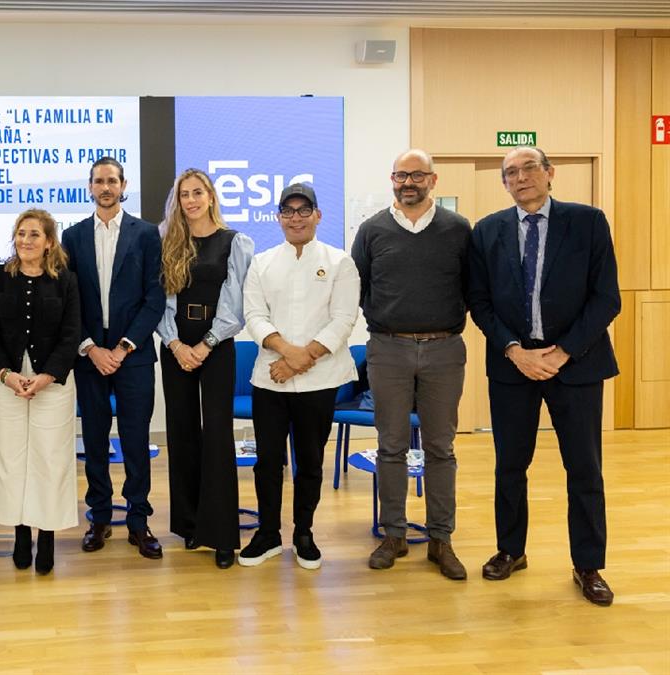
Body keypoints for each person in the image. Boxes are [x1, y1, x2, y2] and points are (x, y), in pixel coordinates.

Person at [468, 146, 621, 606]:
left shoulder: (588, 222)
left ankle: (588, 564)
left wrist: (564, 353)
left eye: (528, 168)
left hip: (575, 365)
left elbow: (606, 298)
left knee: (584, 468)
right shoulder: (487, 231)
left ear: (549, 173)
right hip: (513, 367)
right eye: (510, 173)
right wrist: (515, 351)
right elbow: (480, 302)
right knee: (511, 465)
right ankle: (511, 550)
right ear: (504, 183)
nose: (520, 177)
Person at [351, 149, 471, 580]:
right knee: (391, 446)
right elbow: (358, 288)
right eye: (402, 175)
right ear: (392, 179)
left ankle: (442, 539)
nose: (409, 182)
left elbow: (472, 287)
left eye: (418, 175)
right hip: (388, 349)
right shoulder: (372, 230)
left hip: (444, 350)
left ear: (433, 181)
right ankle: (394, 534)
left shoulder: (458, 229)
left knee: (441, 447)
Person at [240, 183, 358, 570]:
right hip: (270, 379)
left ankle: (304, 532)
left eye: (303, 210)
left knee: (309, 461)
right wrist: (288, 353)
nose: (295, 218)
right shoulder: (262, 261)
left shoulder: (339, 261)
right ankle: (268, 533)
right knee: (268, 461)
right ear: (278, 218)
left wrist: (303, 357)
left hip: (320, 380)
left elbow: (343, 318)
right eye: (287, 211)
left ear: (318, 215)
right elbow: (255, 315)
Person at [62, 157, 167, 560]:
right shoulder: (71, 237)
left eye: (112, 181)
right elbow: (69, 300)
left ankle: (139, 521)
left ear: (124, 185)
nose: (105, 187)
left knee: (136, 441)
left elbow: (154, 298)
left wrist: (122, 348)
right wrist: (90, 347)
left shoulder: (146, 235)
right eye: (98, 181)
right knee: (93, 441)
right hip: (89, 357)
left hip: (133, 357)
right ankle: (100, 517)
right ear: (90, 187)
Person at [155, 169, 253, 569]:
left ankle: (222, 534)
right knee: (181, 433)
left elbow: (236, 303)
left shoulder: (235, 242)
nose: (191, 200)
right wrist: (176, 344)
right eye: (184, 195)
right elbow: (158, 298)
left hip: (216, 347)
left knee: (216, 435)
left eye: (198, 193)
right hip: (175, 346)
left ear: (211, 196)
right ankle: (190, 525)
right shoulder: (166, 241)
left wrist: (205, 344)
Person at [0, 209, 81, 575]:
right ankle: (21, 534)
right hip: (5, 380)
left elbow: (72, 334)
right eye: (21, 233)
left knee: (50, 460)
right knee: (10, 459)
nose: (26, 240)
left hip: (51, 383)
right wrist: (5, 374)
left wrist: (47, 375)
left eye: (34, 234)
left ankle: (47, 536)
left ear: (49, 242)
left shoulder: (66, 281)